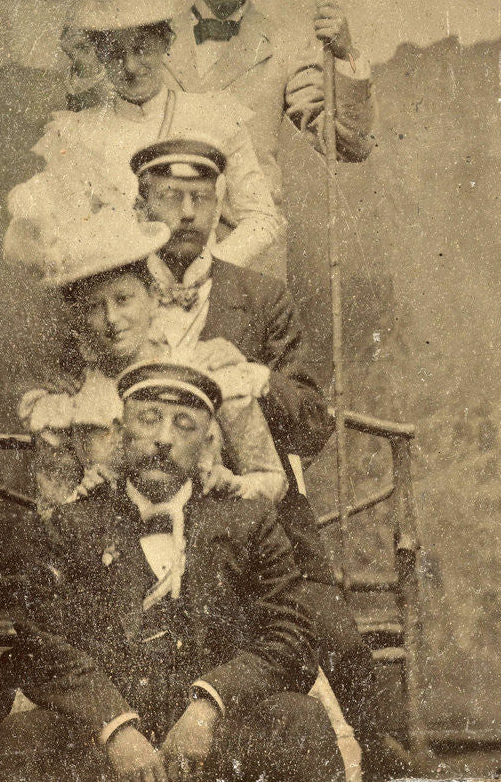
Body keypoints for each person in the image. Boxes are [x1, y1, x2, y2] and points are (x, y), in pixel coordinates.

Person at [132, 137, 390, 775]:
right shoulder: (116, 296)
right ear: (142, 205)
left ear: (222, 206)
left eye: (203, 198)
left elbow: (312, 426)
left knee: (339, 639)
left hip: (264, 528)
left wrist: (258, 376)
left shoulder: (261, 296)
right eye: (171, 197)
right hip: (142, 518)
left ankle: (392, 761)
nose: (189, 213)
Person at [0, 361, 346, 782]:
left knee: (299, 719)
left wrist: (210, 703)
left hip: (217, 736)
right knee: (22, 737)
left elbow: (291, 635)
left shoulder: (248, 521)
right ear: (120, 431)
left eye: (184, 425)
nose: (164, 439)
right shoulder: (73, 524)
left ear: (208, 443)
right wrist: (114, 726)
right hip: (105, 740)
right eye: (149, 419)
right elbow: (40, 642)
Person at [63, 0, 375, 276]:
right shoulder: (146, 30)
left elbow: (349, 145)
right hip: (149, 250)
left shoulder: (285, 45)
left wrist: (346, 58)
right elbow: (97, 123)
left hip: (248, 256)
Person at [4, 185, 287, 511]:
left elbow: (271, 479)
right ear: (79, 317)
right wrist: (82, 498)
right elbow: (54, 517)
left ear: (153, 295)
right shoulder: (66, 404)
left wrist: (233, 485)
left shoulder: (208, 370)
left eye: (124, 299)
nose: (111, 318)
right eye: (95, 307)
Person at [24, 0, 283, 269]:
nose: (131, 66)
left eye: (143, 48)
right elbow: (67, 233)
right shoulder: (76, 133)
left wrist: (206, 271)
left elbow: (263, 218)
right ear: (98, 54)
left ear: (166, 42)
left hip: (199, 298)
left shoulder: (214, 116)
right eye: (115, 53)